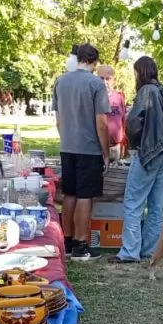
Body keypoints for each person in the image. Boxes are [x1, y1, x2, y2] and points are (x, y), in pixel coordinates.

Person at [111, 56, 163, 264]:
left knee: (133, 203)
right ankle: (149, 249)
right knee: (156, 206)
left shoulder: (146, 92)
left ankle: (130, 251)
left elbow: (134, 124)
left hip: (147, 153)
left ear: (141, 72)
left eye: (135, 72)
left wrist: (136, 141)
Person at [52, 43, 110, 261]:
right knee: (85, 196)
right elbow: (101, 123)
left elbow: (58, 120)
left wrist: (66, 137)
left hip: (67, 146)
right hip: (89, 148)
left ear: (77, 59)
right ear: (94, 62)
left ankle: (66, 242)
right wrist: (105, 151)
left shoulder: (61, 81)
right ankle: (80, 245)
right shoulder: (96, 83)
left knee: (69, 194)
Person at [97, 65, 128, 160]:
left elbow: (123, 121)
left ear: (113, 80)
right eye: (101, 78)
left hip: (116, 148)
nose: (104, 82)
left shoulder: (119, 97)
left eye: (108, 79)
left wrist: (123, 143)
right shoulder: (93, 98)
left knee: (116, 174)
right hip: (98, 148)